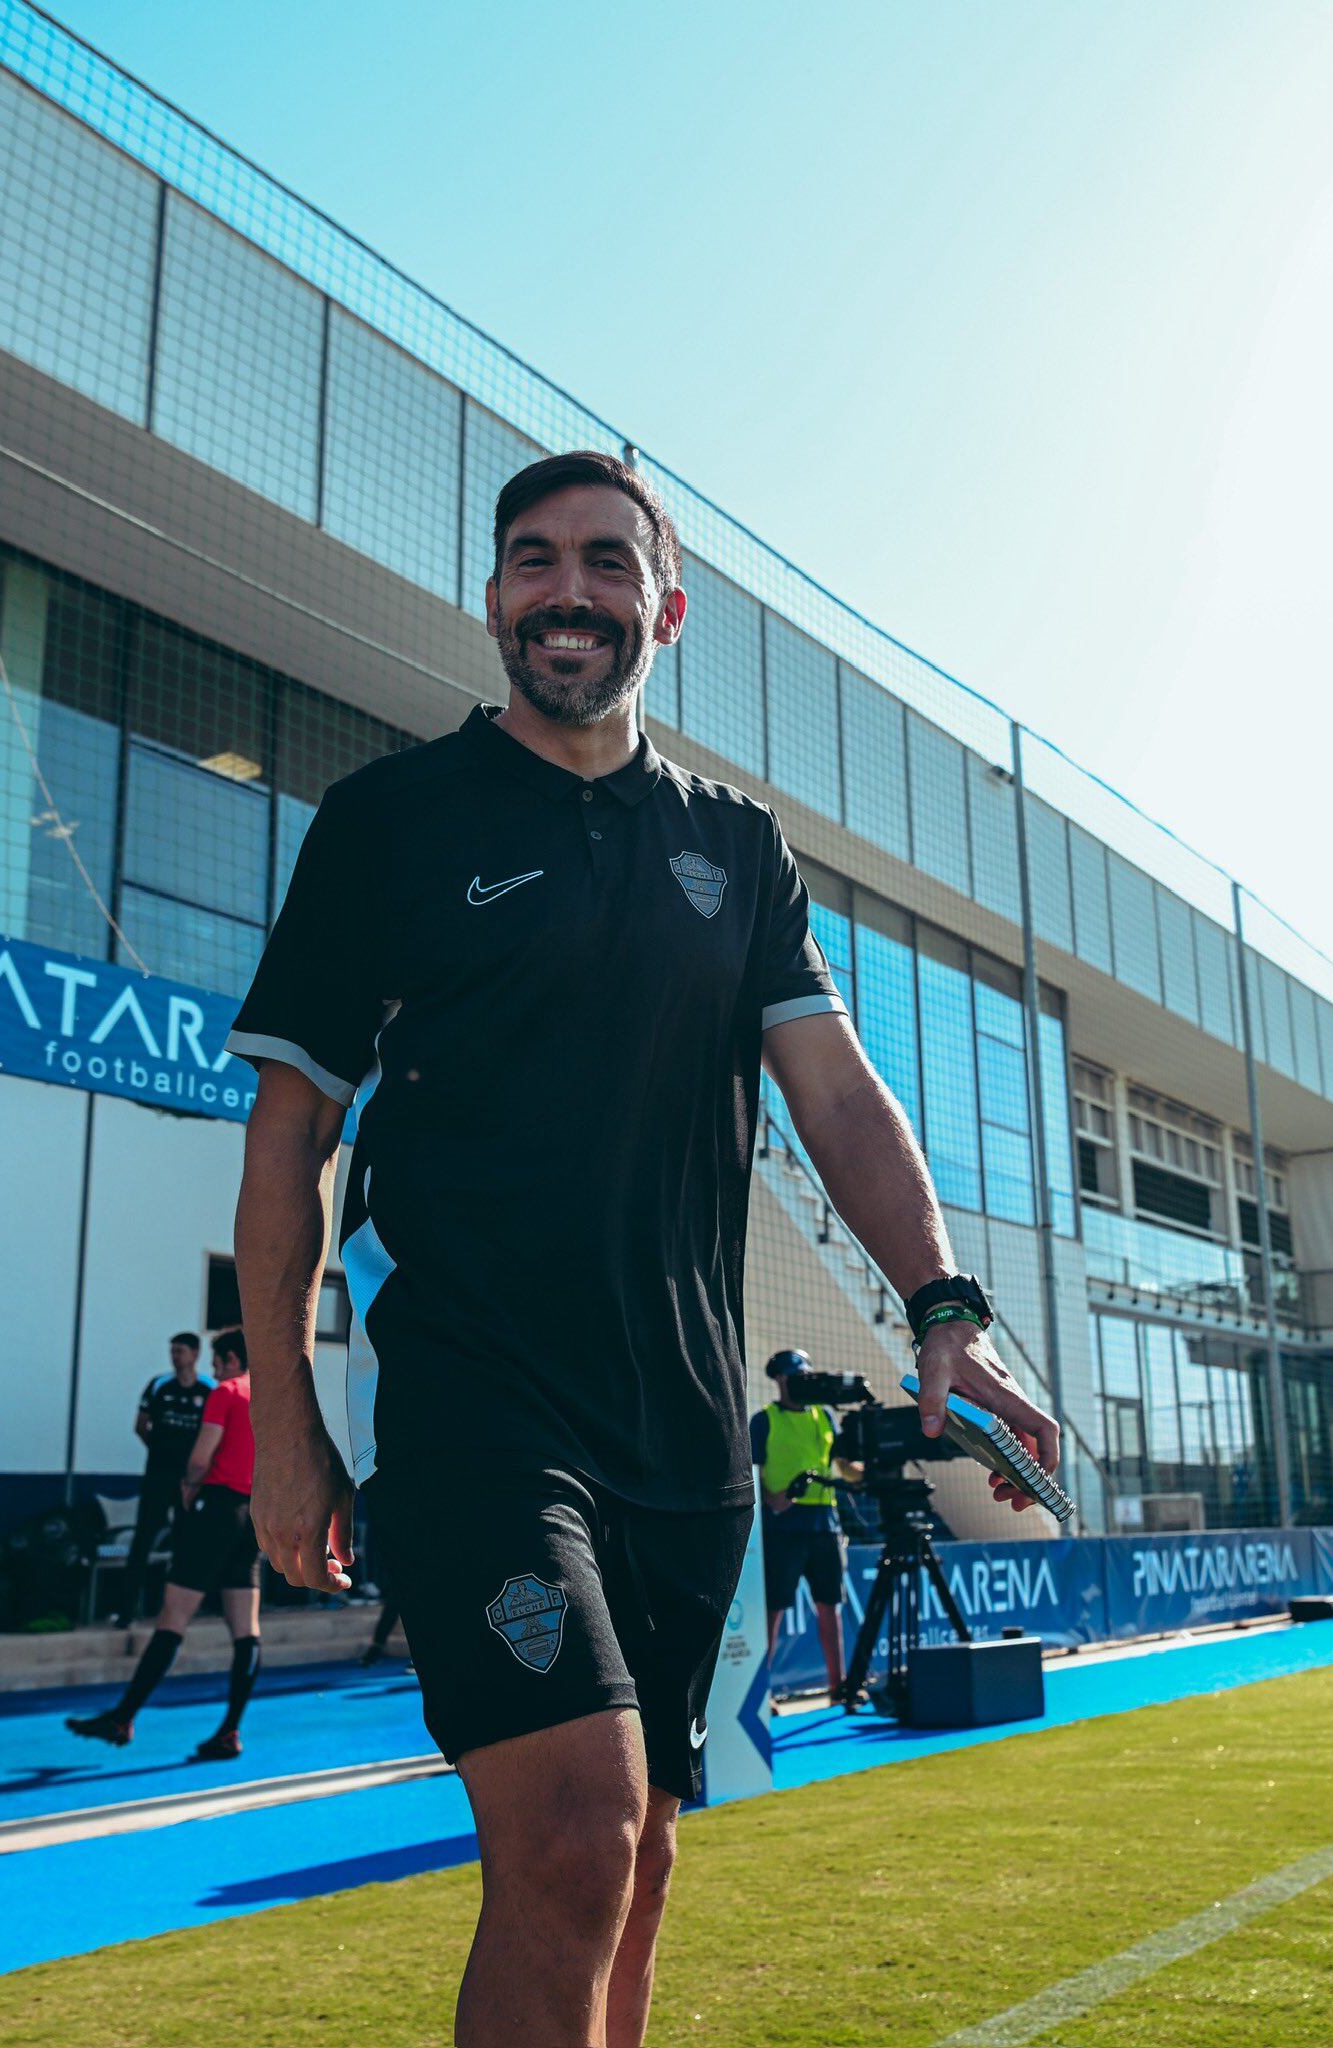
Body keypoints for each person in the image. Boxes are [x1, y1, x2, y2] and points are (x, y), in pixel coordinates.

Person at [227, 450, 1058, 2047]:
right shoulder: (388, 823)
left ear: (662, 610)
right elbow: (288, 1146)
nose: (567, 592)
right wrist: (290, 1428)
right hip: (480, 1410)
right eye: (533, 560)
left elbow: (836, 1092)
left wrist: (942, 1303)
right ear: (490, 598)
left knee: (646, 1861)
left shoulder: (737, 851)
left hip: (685, 1435)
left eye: (606, 564)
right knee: (572, 1836)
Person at [68, 1330, 262, 1761]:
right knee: (245, 1628)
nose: (213, 1370)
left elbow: (200, 1457)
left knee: (172, 1617)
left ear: (231, 1359)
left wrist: (189, 1490)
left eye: (216, 1361)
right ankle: (230, 1730)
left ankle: (122, 1717)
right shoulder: (268, 1397)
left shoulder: (226, 1393)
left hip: (215, 1509)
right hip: (251, 1514)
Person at [751, 1349, 858, 1696]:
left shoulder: (826, 1416)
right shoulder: (764, 1419)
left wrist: (870, 1470)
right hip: (783, 1526)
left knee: (831, 1606)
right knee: (774, 1610)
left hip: (825, 1524)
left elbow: (844, 1465)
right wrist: (773, 1499)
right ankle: (762, 1696)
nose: (803, 1382)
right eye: (797, 1376)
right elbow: (753, 1476)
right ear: (779, 1379)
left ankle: (837, 1686)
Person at [111, 1331, 214, 1627]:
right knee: (143, 1541)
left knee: (186, 1544)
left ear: (195, 1354)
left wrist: (196, 1470)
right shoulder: (159, 1385)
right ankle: (126, 1611)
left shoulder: (208, 1389)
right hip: (158, 1477)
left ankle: (177, 1612)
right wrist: (160, 1453)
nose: (175, 1356)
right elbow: (141, 1426)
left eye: (180, 1351)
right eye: (172, 1351)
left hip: (190, 1482)